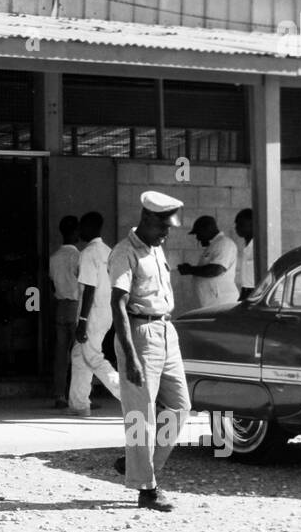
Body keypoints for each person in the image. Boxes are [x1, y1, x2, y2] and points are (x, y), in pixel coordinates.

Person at [110, 191, 191, 512]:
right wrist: (130, 356)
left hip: (166, 331)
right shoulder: (124, 252)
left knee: (179, 406)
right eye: (163, 226)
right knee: (140, 416)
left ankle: (139, 466)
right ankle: (146, 489)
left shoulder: (156, 249)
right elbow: (117, 303)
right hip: (139, 333)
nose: (167, 232)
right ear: (146, 219)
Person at [67, 212, 121, 416]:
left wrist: (82, 321)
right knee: (79, 356)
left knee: (93, 357)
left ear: (90, 227)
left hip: (92, 314)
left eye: (81, 226)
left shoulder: (89, 253)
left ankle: (130, 397)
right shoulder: (109, 251)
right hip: (105, 313)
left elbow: (89, 289)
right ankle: (79, 405)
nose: (79, 230)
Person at [48, 215, 81, 408]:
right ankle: (79, 395)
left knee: (61, 354)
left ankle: (59, 395)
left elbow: (53, 284)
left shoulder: (54, 258)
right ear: (75, 232)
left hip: (60, 306)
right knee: (79, 353)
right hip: (76, 306)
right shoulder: (78, 256)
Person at [178, 215, 238, 311]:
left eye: (198, 233)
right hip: (213, 302)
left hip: (223, 302)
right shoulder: (214, 245)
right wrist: (191, 269)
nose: (197, 238)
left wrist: (190, 270)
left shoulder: (224, 243)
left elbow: (216, 269)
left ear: (207, 229)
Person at [234, 208, 255, 299]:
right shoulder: (246, 247)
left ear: (252, 225)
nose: (236, 228)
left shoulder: (259, 247)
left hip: (256, 294)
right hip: (246, 292)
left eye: (241, 224)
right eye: (236, 224)